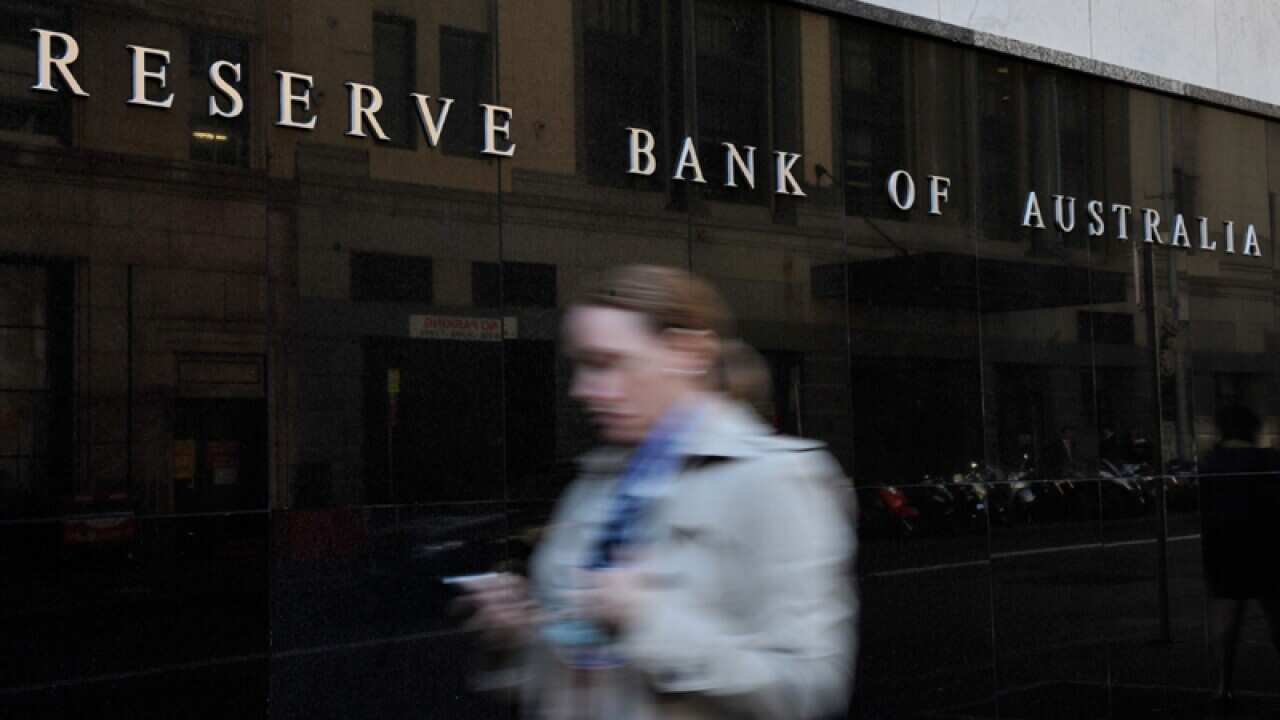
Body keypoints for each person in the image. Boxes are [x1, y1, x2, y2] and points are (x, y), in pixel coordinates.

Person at [458, 265, 857, 719]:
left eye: (605, 363)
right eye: (580, 365)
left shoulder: (775, 479)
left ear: (686, 351)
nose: (582, 389)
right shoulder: (595, 480)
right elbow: (582, 677)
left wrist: (650, 621)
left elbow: (808, 690)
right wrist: (516, 640)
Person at [1199, 404, 1280, 702]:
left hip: (1223, 548)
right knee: (1275, 616)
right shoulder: (1266, 459)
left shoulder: (1211, 462)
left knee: (1226, 622)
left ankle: (1224, 685)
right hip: (1265, 546)